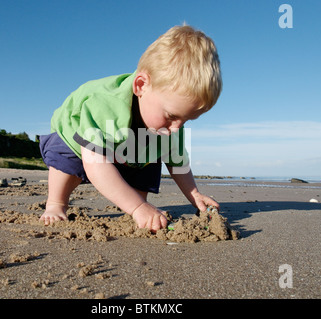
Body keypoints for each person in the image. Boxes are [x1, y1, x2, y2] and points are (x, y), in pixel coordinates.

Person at [39, 24, 222, 233]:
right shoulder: (104, 104)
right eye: (171, 116)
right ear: (141, 86)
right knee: (68, 157)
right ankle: (56, 203)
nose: (176, 128)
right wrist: (138, 207)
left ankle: (131, 200)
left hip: (128, 147)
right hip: (75, 138)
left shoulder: (170, 126)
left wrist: (194, 194)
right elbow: (95, 164)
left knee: (154, 152)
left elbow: (178, 161)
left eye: (187, 120)